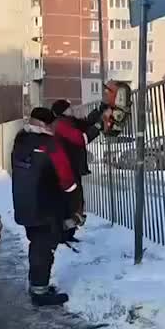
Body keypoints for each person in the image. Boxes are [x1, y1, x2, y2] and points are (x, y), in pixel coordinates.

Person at [11, 107, 82, 306]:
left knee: (36, 246)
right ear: (46, 124)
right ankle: (40, 293)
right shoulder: (49, 144)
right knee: (44, 250)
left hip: (24, 204)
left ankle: (36, 284)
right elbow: (67, 180)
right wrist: (74, 202)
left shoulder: (20, 140)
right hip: (46, 207)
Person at [51, 100, 109, 242]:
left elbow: (85, 124)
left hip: (71, 167)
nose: (72, 109)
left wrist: (99, 112)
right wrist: (99, 126)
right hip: (66, 169)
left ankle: (68, 233)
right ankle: (63, 234)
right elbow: (81, 138)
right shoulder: (60, 125)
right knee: (71, 203)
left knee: (74, 202)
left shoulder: (68, 122)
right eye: (69, 107)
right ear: (63, 111)